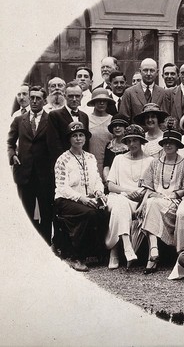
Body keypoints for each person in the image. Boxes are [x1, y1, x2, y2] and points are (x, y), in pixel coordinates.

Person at [53, 121, 108, 272]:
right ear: (69, 139)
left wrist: (98, 192)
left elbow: (96, 179)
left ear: (85, 138)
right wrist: (82, 199)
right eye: (74, 136)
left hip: (87, 197)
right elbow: (62, 187)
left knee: (103, 210)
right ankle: (74, 256)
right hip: (65, 200)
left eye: (81, 135)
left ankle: (96, 252)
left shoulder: (90, 158)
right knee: (89, 213)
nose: (78, 138)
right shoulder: (63, 160)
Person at [138, 129, 184, 274]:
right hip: (156, 200)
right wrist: (155, 195)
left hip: (176, 202)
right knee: (151, 202)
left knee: (152, 204)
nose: (168, 145)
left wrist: (173, 195)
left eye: (172, 143)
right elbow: (148, 187)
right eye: (166, 142)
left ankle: (152, 254)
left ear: (177, 145)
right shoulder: (155, 163)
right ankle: (153, 251)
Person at [7, 86, 54, 244]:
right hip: (24, 173)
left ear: (44, 100)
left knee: (46, 212)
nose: (34, 101)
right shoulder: (19, 120)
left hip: (45, 174)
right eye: (32, 97)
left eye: (38, 98)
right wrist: (12, 155)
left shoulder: (51, 119)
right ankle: (27, 245)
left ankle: (47, 244)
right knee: (26, 213)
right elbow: (9, 142)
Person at [104, 124, 154, 270]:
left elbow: (151, 186)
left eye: (135, 140)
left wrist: (140, 193)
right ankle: (127, 246)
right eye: (129, 140)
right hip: (118, 196)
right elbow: (111, 186)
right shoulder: (119, 159)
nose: (132, 144)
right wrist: (127, 192)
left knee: (122, 205)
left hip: (139, 201)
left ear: (141, 141)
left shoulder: (150, 161)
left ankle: (114, 252)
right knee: (120, 203)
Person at [47, 81, 90, 165]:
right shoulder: (54, 115)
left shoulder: (84, 116)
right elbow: (53, 144)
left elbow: (86, 142)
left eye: (77, 96)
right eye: (70, 96)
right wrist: (67, 162)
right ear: (64, 96)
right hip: (63, 163)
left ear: (81, 97)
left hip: (82, 163)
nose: (74, 99)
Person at [86, 88, 115, 178]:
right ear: (94, 102)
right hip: (91, 159)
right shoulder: (86, 119)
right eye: (98, 101)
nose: (102, 103)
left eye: (104, 101)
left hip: (109, 162)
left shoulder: (113, 120)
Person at [102, 114, 129, 181]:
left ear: (125, 128)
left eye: (120, 125)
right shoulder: (109, 146)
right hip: (112, 180)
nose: (117, 128)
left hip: (128, 179)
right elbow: (106, 166)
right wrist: (108, 180)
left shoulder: (130, 145)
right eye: (115, 126)